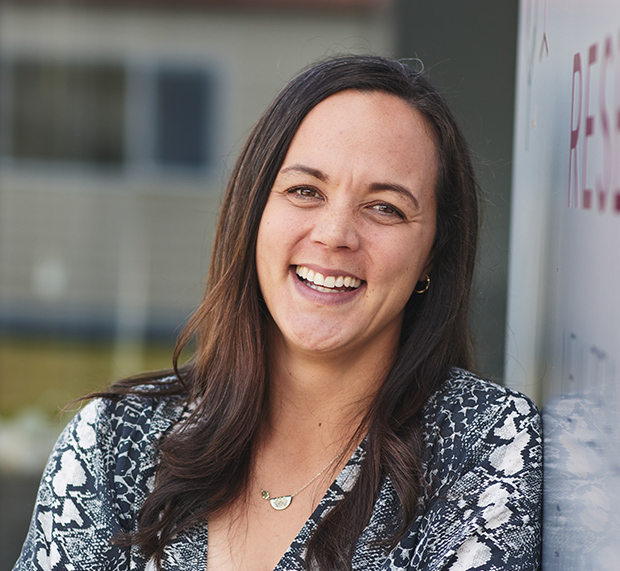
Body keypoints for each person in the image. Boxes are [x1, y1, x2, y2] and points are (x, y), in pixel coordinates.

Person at [13, 55, 542, 571]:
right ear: (254, 214)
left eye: (385, 207)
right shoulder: (115, 441)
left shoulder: (483, 446)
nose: (335, 234)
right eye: (305, 191)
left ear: (432, 253)